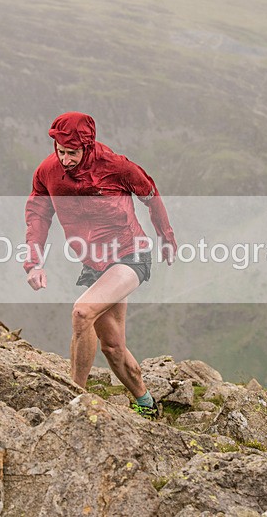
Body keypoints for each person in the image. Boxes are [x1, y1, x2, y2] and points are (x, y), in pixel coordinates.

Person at [24, 112, 177, 419]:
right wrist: (34, 262)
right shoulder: (47, 172)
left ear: (88, 145)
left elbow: (150, 195)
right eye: (60, 151)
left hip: (131, 254)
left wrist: (165, 236)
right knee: (112, 346)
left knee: (82, 312)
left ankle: (75, 400)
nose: (65, 159)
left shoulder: (117, 166)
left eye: (72, 153)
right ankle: (146, 403)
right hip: (94, 263)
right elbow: (38, 215)